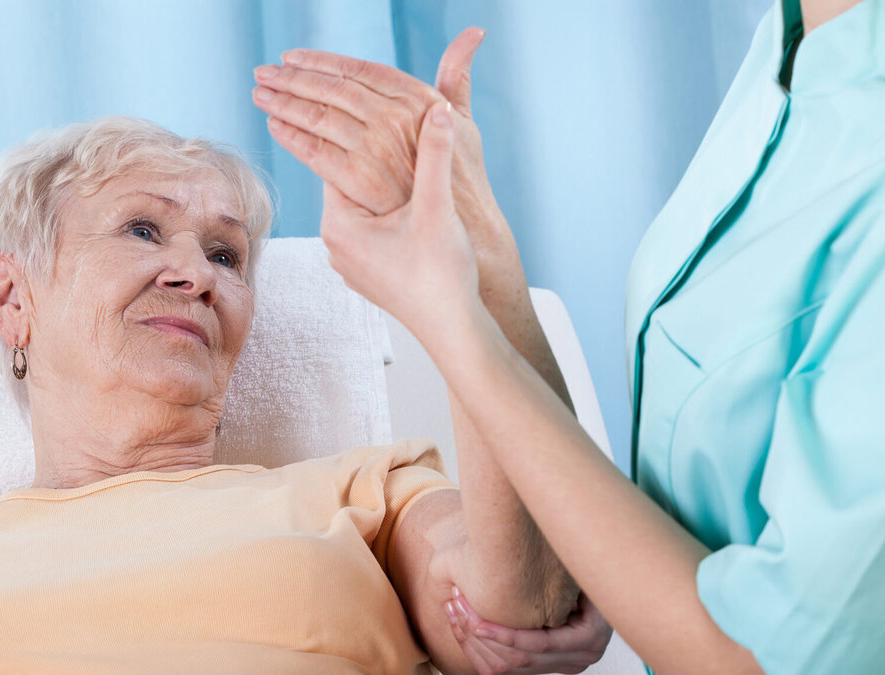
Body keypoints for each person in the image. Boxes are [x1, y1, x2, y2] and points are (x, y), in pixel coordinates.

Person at [0, 116, 600, 674]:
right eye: (142, 229)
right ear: (12, 298)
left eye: (225, 254)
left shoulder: (367, 497)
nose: (195, 274)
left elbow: (519, 603)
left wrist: (477, 276)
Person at [252, 0, 885, 672]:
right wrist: (477, 244)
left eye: (224, 253)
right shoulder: (796, 44)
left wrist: (450, 318)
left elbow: (766, 654)